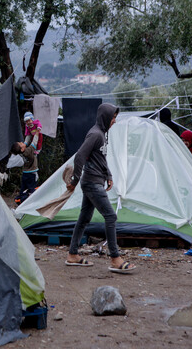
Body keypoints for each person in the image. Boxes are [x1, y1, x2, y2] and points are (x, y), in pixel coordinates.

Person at [65, 103, 136, 273]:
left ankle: (72, 255)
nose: (114, 121)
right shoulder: (95, 134)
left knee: (84, 219)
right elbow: (80, 156)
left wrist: (109, 175)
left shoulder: (102, 135)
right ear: (105, 117)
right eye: (113, 117)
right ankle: (115, 258)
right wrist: (74, 181)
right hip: (91, 183)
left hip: (95, 181)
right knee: (110, 216)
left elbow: (100, 159)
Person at [11, 141, 39, 205]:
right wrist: (36, 133)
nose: (21, 142)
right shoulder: (28, 151)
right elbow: (34, 143)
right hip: (32, 174)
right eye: (20, 143)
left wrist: (28, 133)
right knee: (32, 190)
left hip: (25, 173)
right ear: (22, 149)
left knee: (24, 189)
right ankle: (29, 203)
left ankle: (20, 200)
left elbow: (26, 142)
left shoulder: (21, 152)